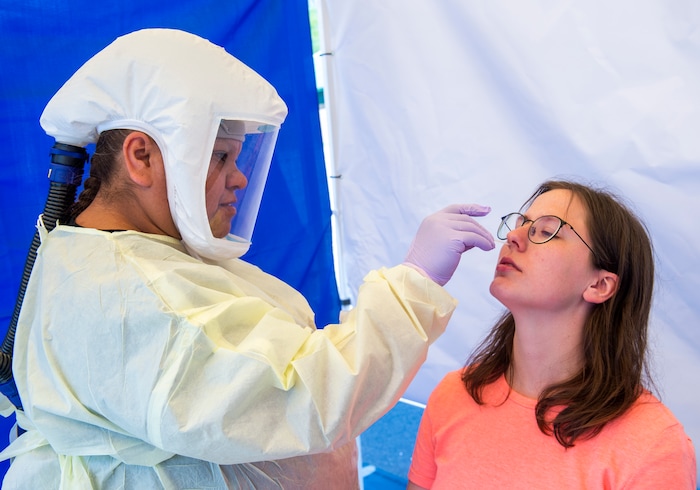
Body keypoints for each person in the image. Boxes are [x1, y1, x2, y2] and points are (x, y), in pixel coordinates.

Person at [0, 28, 496, 489]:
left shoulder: (138, 260)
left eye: (238, 158)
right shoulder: (121, 295)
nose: (238, 178)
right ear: (142, 157)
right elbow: (302, 395)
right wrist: (412, 286)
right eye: (221, 157)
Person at [407, 179, 697, 489]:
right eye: (519, 224)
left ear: (600, 285)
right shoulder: (454, 395)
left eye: (546, 231)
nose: (514, 237)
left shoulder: (653, 445)